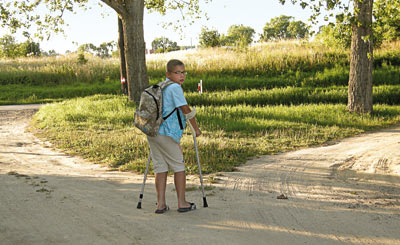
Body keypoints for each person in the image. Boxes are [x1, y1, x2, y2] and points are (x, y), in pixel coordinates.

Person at [147, 59, 202, 214]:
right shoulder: (174, 88)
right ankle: (182, 202)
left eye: (183, 72)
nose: (181, 76)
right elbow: (185, 108)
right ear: (168, 74)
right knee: (178, 166)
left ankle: (161, 204)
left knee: (160, 167)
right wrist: (196, 129)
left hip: (153, 132)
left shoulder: (159, 87)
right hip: (167, 133)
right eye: (177, 73)